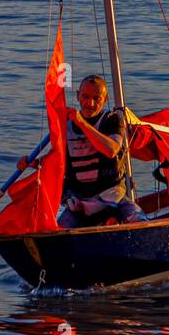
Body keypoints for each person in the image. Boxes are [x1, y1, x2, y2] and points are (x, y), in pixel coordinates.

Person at [19, 74, 146, 229]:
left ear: (105, 99)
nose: (90, 103)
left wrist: (81, 122)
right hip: (79, 203)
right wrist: (34, 163)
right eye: (85, 97)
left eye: (96, 98)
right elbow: (58, 159)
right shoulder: (66, 125)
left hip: (113, 196)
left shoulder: (112, 120)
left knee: (141, 222)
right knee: (56, 234)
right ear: (78, 95)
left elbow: (111, 150)